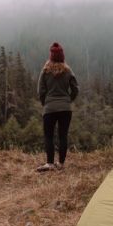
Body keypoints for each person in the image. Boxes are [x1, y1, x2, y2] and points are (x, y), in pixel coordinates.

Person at [36, 42, 79, 172]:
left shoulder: (45, 71)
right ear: (62, 56)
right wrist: (68, 100)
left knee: (48, 136)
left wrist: (46, 103)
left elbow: (40, 90)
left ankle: (49, 163)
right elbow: (76, 89)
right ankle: (60, 164)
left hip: (49, 108)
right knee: (63, 136)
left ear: (51, 56)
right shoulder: (68, 70)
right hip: (65, 109)